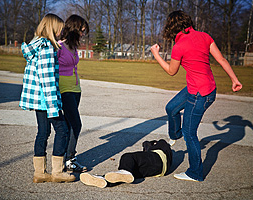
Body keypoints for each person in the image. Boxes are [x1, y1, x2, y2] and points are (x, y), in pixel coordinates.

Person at [150, 10, 242, 182]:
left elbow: (171, 71)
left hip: (200, 94)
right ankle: (175, 136)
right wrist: (234, 80)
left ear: (171, 27)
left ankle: (195, 173)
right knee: (171, 108)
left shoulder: (179, 46)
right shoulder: (204, 36)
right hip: (204, 88)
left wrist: (156, 54)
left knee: (190, 133)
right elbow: (221, 59)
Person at [19, 13, 75, 183]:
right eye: (59, 30)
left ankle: (40, 173)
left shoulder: (36, 45)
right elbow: (47, 79)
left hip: (38, 99)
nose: (61, 33)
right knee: (63, 130)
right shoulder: (47, 48)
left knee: (43, 132)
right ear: (52, 29)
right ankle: (57, 172)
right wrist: (53, 106)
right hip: (46, 99)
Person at [57, 14, 89, 172]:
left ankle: (64, 158)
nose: (83, 34)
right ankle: (69, 158)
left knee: (70, 124)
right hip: (64, 90)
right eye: (81, 31)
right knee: (76, 124)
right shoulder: (59, 46)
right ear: (74, 29)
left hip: (76, 89)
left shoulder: (74, 47)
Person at [79, 139, 172, 188]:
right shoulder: (162, 152)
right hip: (159, 171)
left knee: (128, 157)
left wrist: (149, 144)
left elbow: (147, 144)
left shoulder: (161, 144)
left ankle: (124, 172)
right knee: (128, 172)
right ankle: (104, 180)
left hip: (158, 158)